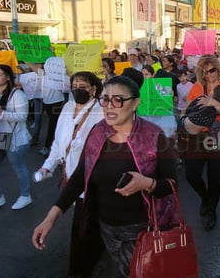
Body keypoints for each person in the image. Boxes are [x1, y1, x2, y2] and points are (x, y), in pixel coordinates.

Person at [32, 76, 178, 277]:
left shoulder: (154, 135)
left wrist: (147, 183)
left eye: (118, 100)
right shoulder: (97, 131)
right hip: (102, 226)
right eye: (105, 99)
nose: (110, 106)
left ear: (135, 103)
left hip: (141, 229)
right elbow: (80, 176)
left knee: (134, 272)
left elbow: (171, 184)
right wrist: (51, 218)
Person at [36, 71, 104, 277]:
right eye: (75, 85)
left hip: (91, 178)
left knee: (84, 228)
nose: (78, 89)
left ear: (94, 89)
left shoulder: (101, 112)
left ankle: (84, 269)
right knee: (85, 224)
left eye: (83, 86)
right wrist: (48, 165)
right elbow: (59, 142)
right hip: (70, 174)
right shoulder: (66, 107)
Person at [182, 55, 220, 230]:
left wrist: (213, 102)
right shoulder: (197, 87)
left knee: (214, 176)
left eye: (211, 70)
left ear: (217, 68)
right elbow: (185, 110)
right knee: (191, 174)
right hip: (197, 138)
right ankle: (205, 198)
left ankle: (211, 209)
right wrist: (184, 121)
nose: (209, 75)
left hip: (218, 138)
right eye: (204, 72)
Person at [0, 64, 33, 212]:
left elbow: (23, 117)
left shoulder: (17, 94)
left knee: (19, 168)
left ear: (8, 77)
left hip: (15, 139)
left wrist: (2, 113)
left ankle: (25, 195)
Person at [38, 56, 69, 155]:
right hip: (46, 103)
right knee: (53, 125)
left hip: (57, 102)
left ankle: (49, 147)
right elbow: (35, 69)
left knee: (53, 125)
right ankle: (53, 147)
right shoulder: (44, 75)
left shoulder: (60, 76)